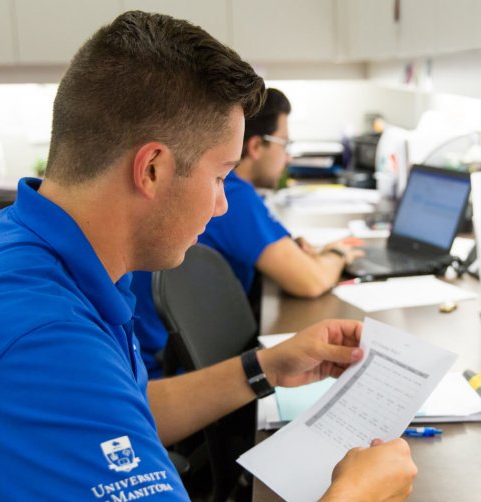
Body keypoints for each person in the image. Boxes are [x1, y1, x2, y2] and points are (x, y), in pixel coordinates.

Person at [0, 11, 416, 502]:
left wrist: (264, 369)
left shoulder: (9, 243)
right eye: (222, 174)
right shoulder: (40, 339)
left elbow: (118, 411)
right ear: (152, 169)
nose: (224, 205)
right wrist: (352, 499)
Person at [130, 88, 362, 377]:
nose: (287, 157)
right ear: (255, 147)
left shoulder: (239, 193)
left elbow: (294, 249)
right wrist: (339, 253)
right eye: (284, 144)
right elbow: (310, 281)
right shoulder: (235, 196)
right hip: (166, 372)